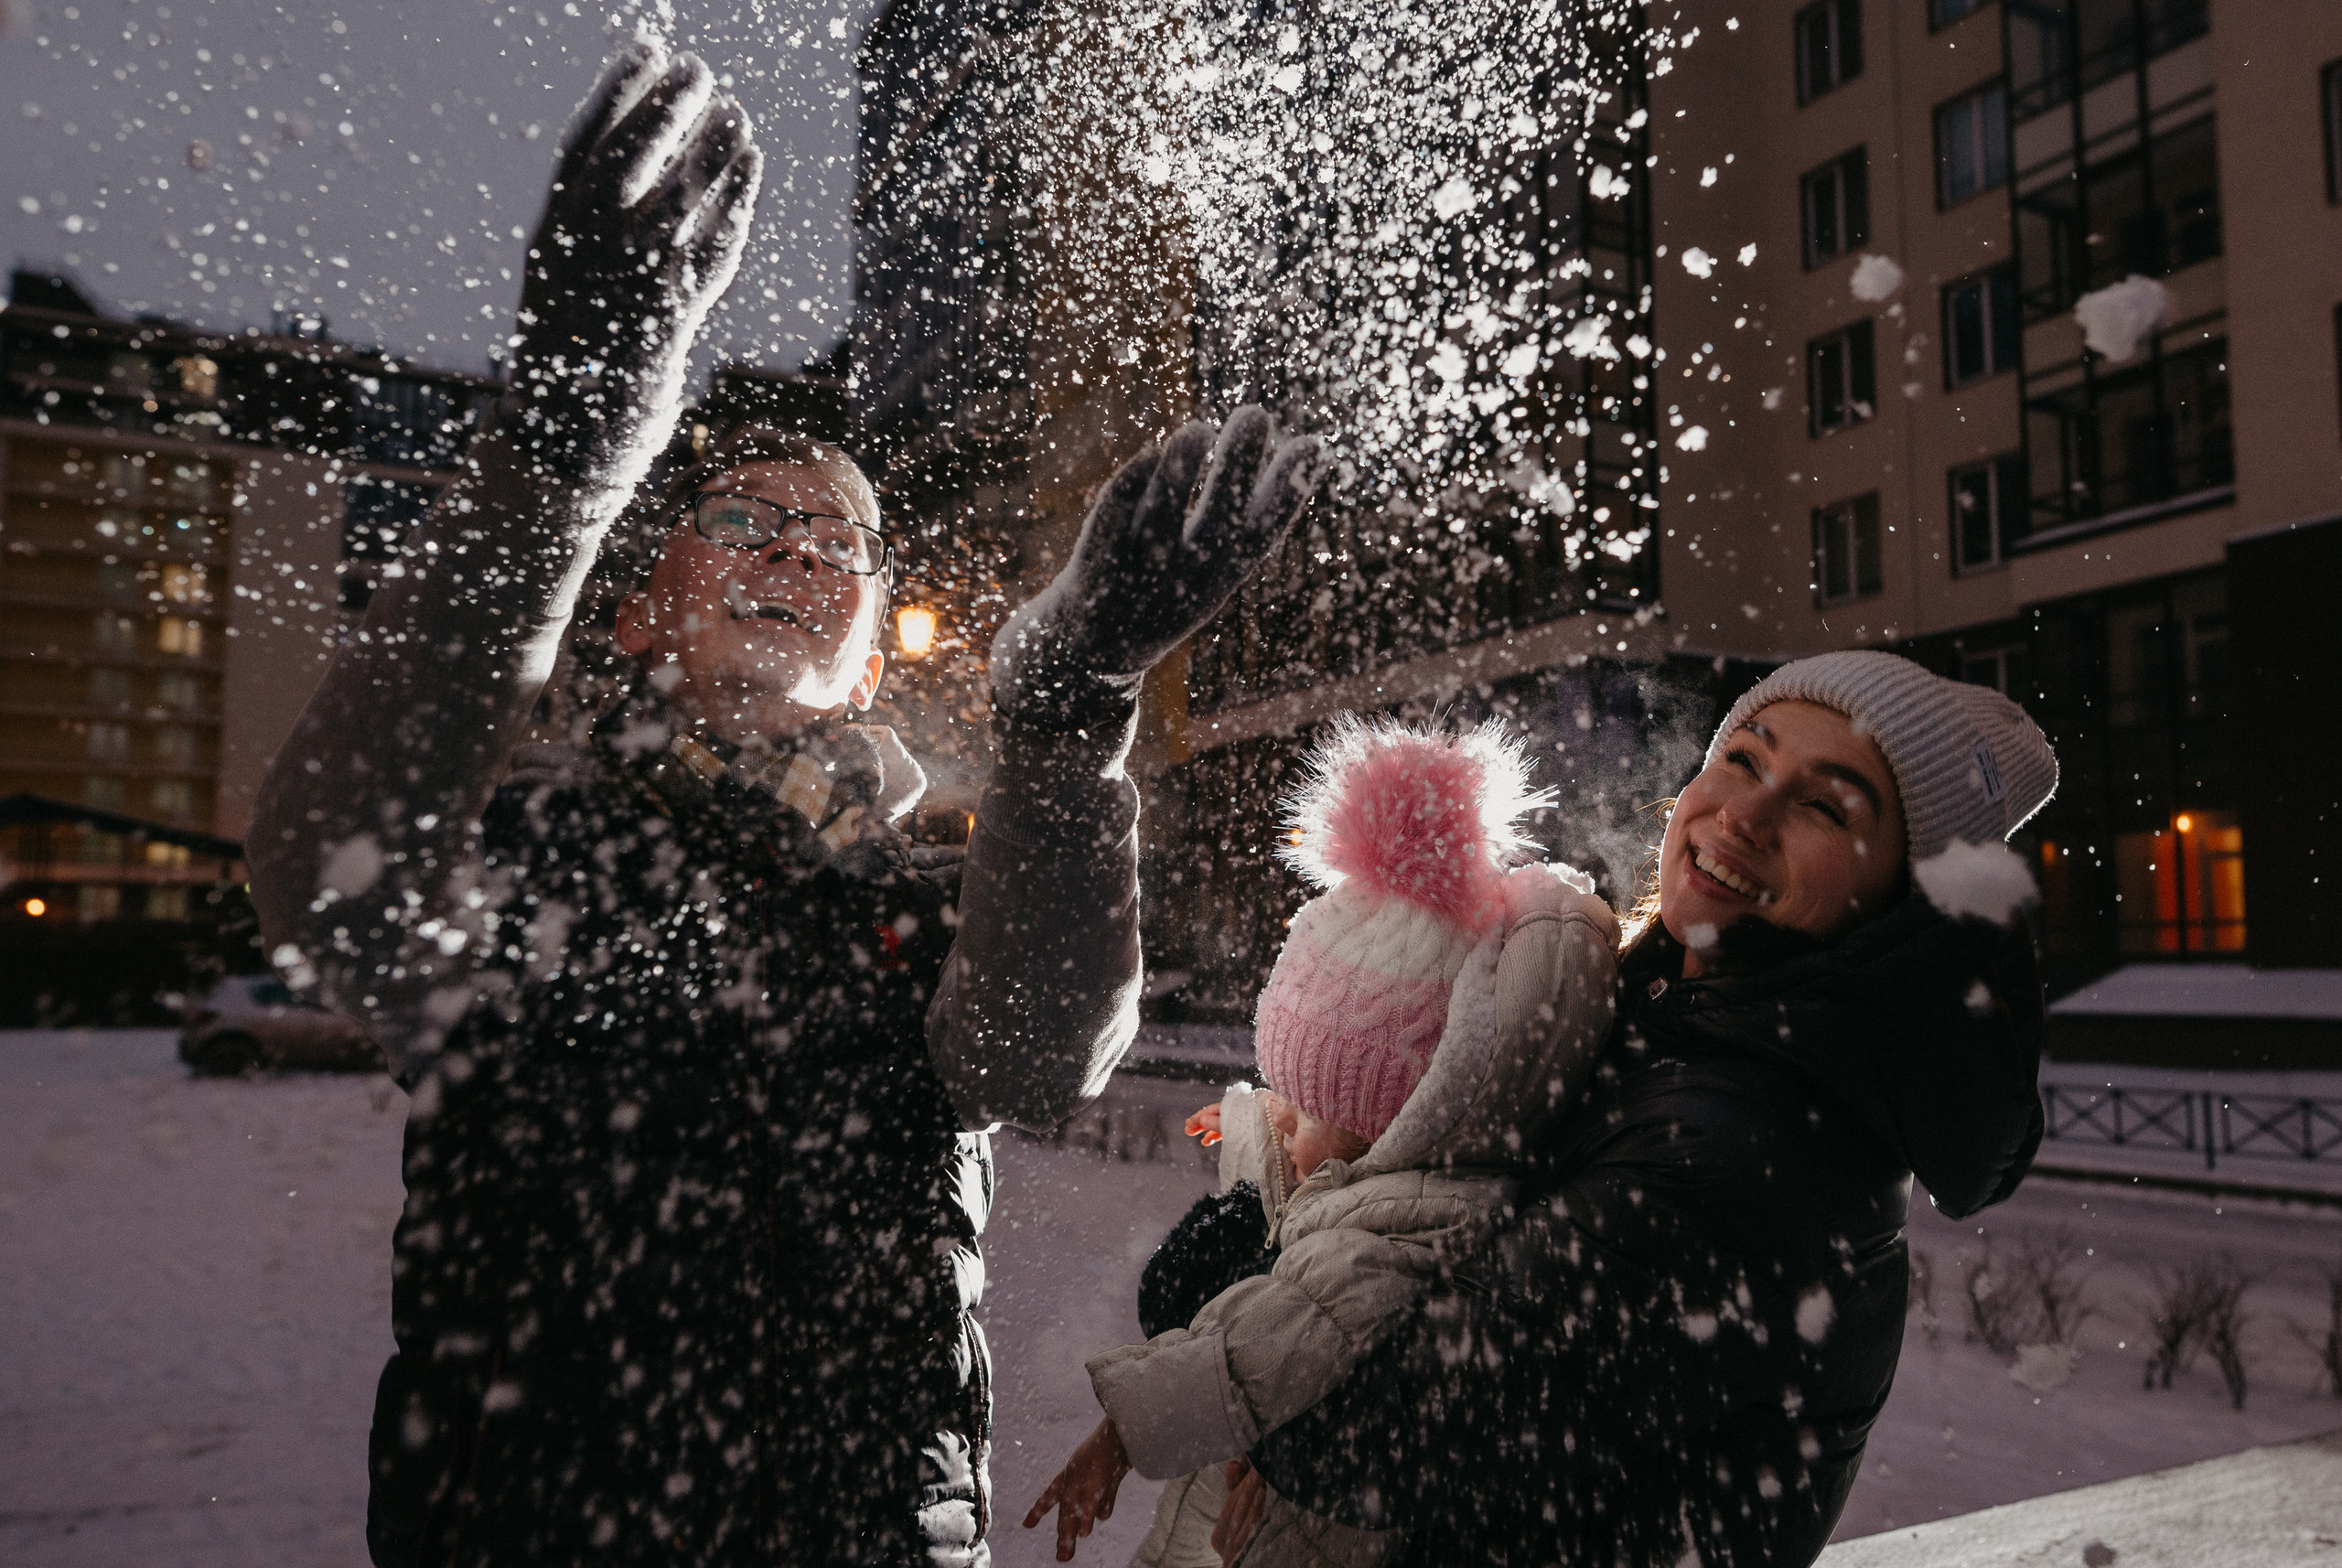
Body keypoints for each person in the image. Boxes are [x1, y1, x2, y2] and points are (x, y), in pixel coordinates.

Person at [243, 38, 1321, 1568]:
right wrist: (565, 438)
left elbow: (1032, 1048)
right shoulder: (532, 855)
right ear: (634, 611)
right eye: (743, 518)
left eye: (841, 542)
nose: (798, 551)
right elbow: (324, 872)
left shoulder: (928, 890)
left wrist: (1072, 695)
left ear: (875, 642)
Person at [1205, 651, 2059, 1567]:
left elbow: (1362, 1427)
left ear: (1897, 902)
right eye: (1742, 758)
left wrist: (1237, 1254)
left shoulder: (1737, 1154)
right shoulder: (1654, 1022)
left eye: (1823, 805)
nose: (1744, 812)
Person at [1021, 720, 1622, 1566]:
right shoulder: (1380, 1179)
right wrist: (1248, 1122)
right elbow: (1294, 1172)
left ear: (1398, 1119)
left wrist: (1122, 1432)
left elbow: (1260, 1348)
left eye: (1303, 1111)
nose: (1284, 1123)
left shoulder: (1385, 1237)